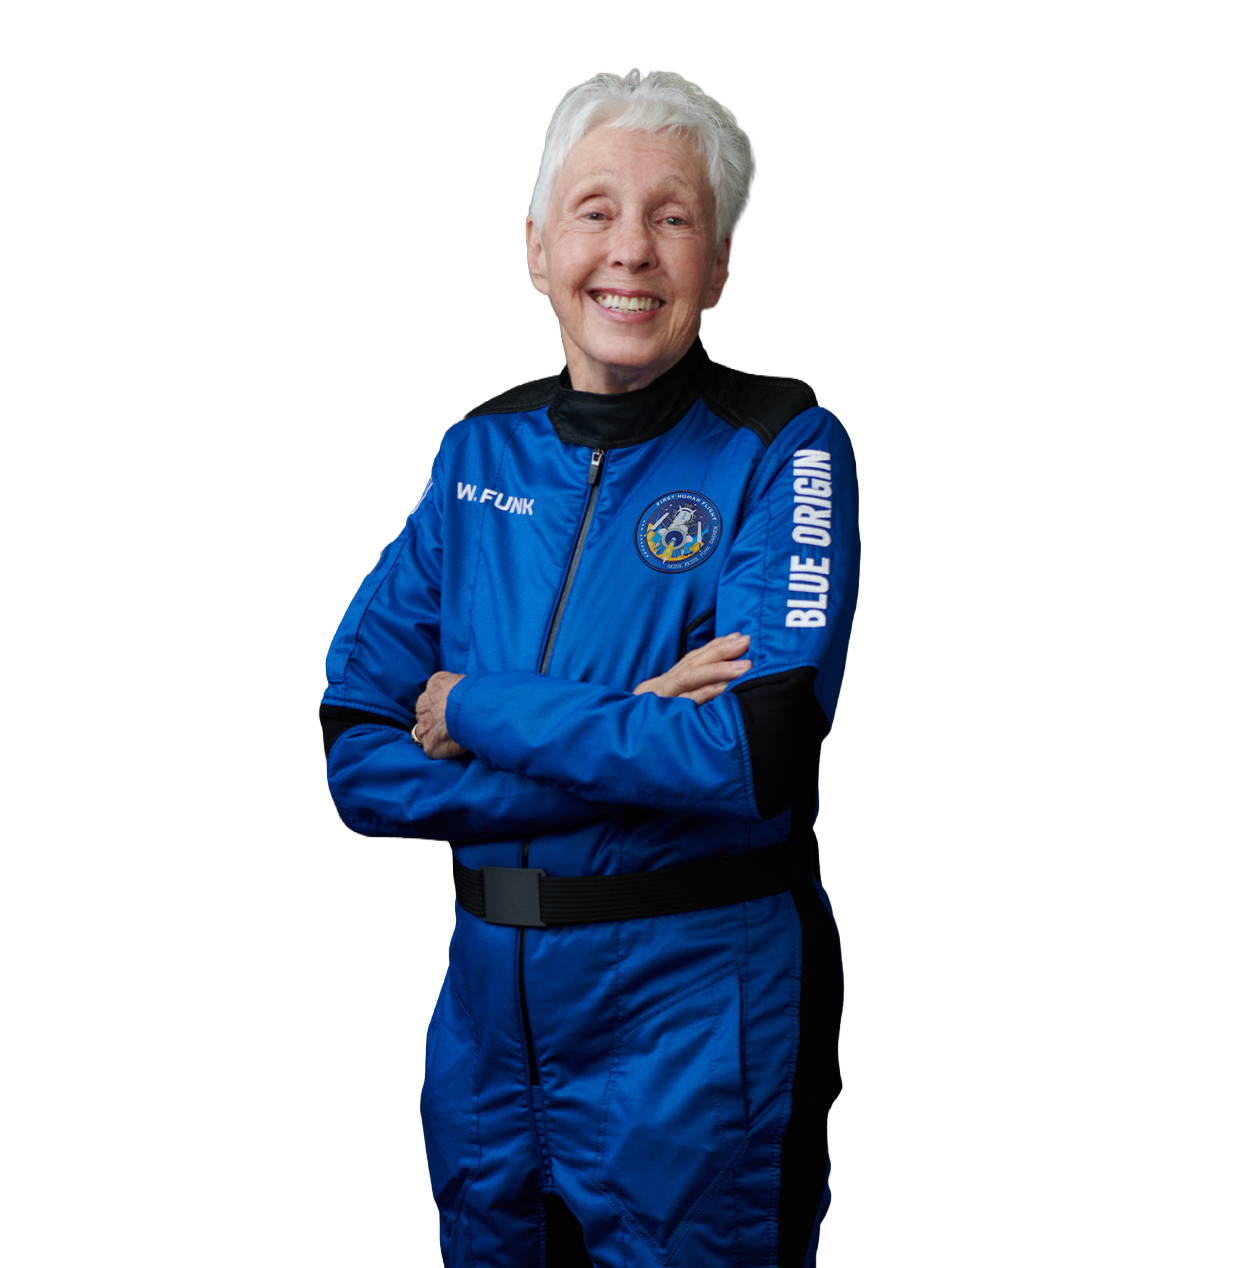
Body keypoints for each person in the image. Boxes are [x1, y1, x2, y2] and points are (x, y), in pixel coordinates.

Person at [320, 70, 859, 1268]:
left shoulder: (783, 449)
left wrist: (476, 705)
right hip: (484, 1041)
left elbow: (750, 757)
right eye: (594, 210)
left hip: (693, 1029)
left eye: (672, 217)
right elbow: (352, 758)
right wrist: (631, 724)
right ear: (537, 247)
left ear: (716, 262)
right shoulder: (476, 457)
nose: (630, 250)